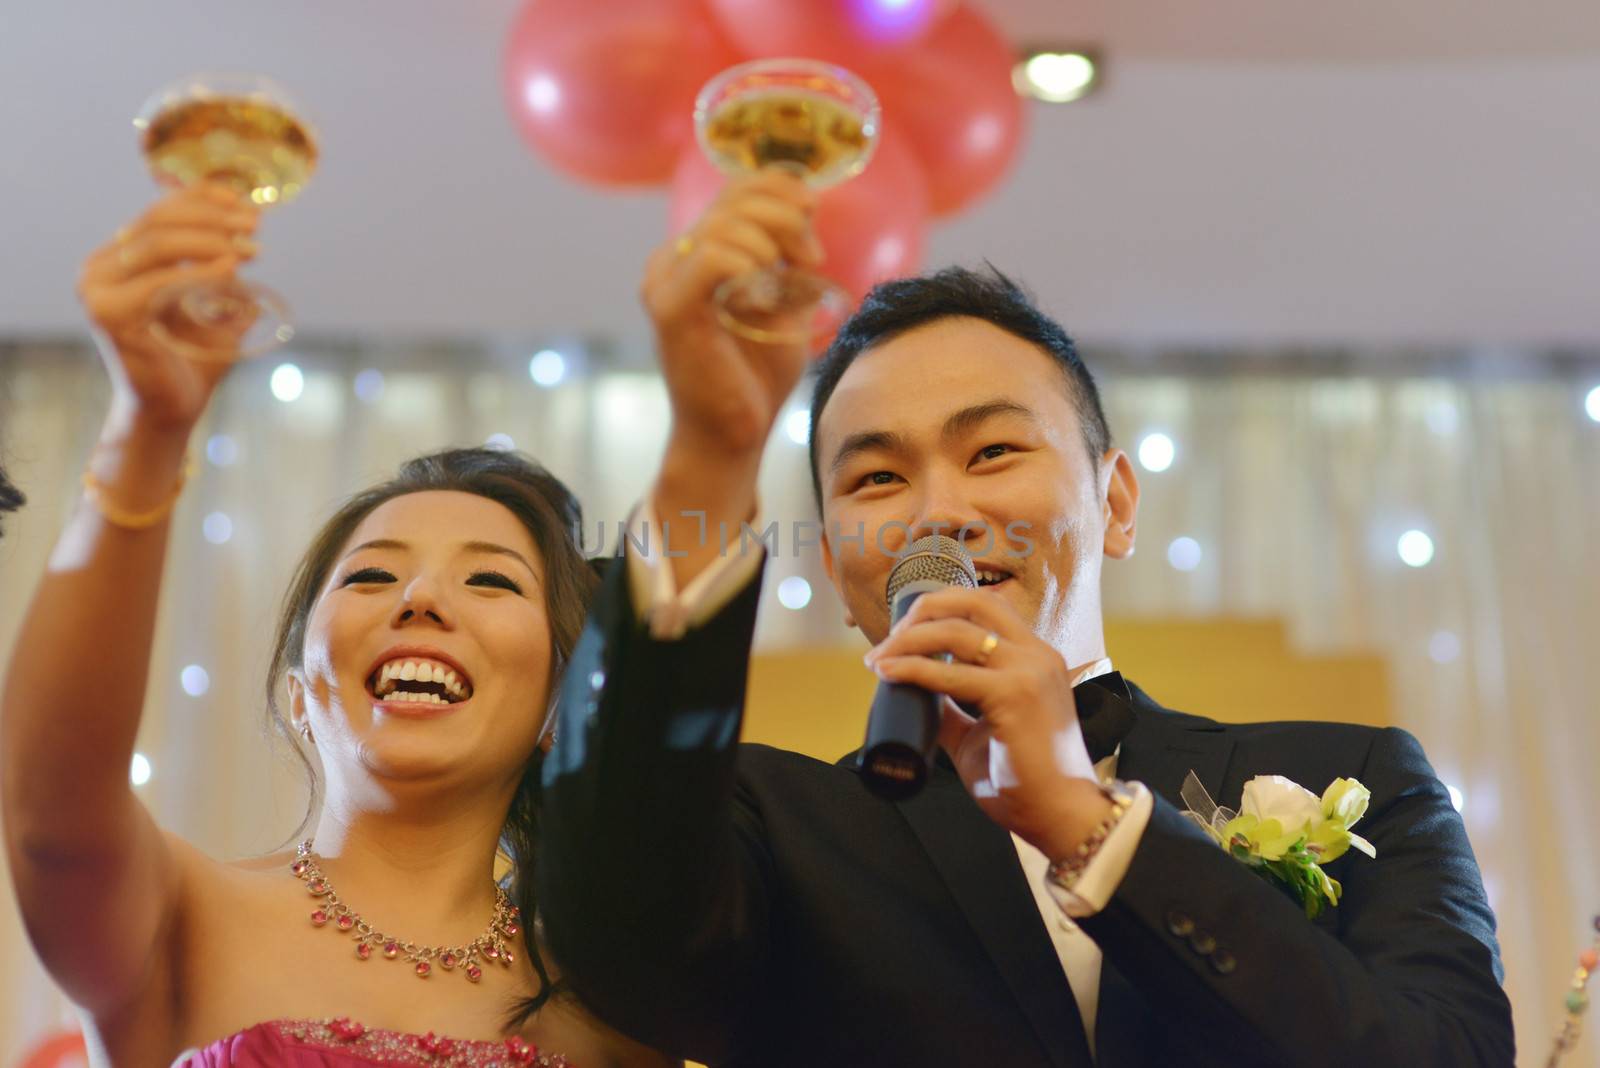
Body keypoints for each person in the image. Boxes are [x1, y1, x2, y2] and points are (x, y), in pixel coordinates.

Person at [536, 171, 1516, 1067]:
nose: (938, 513)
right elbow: (620, 934)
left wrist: (1084, 825)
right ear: (836, 571)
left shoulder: (1360, 776)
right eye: (877, 476)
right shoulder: (775, 827)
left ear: (1116, 503)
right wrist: (710, 452)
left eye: (994, 451)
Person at [0, 183, 677, 1067]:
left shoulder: (616, 1010)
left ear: (560, 710)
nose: (421, 600)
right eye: (371, 574)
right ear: (296, 693)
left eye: (488, 579)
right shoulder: (179, 917)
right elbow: (51, 807)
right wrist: (149, 430)